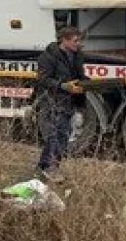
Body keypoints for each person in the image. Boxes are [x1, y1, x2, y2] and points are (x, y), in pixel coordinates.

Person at [33, 26, 89, 183]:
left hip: (69, 101)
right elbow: (43, 80)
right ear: (64, 40)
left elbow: (79, 76)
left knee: (61, 134)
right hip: (53, 100)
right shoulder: (48, 57)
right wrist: (63, 86)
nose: (78, 44)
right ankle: (51, 168)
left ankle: (43, 167)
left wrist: (90, 84)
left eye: (79, 40)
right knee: (58, 135)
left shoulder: (77, 55)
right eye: (75, 41)